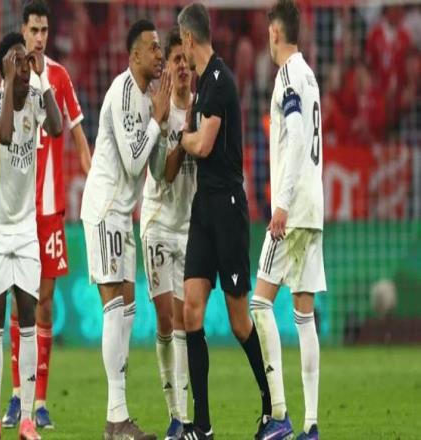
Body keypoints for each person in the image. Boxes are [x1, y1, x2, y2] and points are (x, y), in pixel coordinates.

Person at [175, 4, 271, 440]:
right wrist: (189, 134)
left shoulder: (218, 80)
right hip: (204, 207)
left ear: (188, 38)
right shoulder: (202, 86)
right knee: (191, 310)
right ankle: (203, 425)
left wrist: (183, 138)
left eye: (181, 41)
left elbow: (204, 145)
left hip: (229, 208)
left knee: (238, 322)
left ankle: (271, 404)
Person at [2, 1, 92, 430]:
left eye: (44, 31)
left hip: (51, 209)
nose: (39, 38)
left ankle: (39, 400)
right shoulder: (9, 76)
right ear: (22, 31)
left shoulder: (58, 76)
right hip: (17, 210)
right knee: (17, 302)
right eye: (33, 30)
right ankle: (16, 396)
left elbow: (77, 132)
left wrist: (94, 181)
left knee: (44, 302)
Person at [80, 19, 171, 440]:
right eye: (153, 48)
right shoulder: (122, 92)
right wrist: (156, 120)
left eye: (160, 47)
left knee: (128, 309)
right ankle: (116, 420)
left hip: (124, 213)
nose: (160, 54)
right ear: (134, 55)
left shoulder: (147, 98)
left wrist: (163, 125)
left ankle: (117, 416)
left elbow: (154, 167)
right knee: (115, 307)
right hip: (105, 209)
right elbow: (134, 163)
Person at [0, 32, 62, 440]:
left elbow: (58, 128)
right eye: (14, 59)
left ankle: (27, 418)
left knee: (28, 313)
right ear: (2, 67)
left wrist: (41, 79)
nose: (22, 65)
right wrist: (12, 80)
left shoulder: (36, 98)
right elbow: (5, 134)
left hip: (26, 228)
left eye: (24, 59)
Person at [250, 1, 325, 439]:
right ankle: (311, 424)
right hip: (313, 207)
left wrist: (281, 203)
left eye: (268, 32)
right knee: (304, 315)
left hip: (292, 210)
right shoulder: (309, 74)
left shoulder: (287, 76)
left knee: (260, 304)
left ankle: (279, 415)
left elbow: (296, 136)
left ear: (275, 33)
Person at [140, 27, 194, 440]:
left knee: (184, 322)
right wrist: (170, 129)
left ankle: (183, 417)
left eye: (186, 61)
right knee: (166, 319)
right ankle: (176, 414)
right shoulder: (156, 110)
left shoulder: (205, 109)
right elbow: (160, 173)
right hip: (158, 221)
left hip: (189, 226)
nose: (182, 67)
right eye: (175, 59)